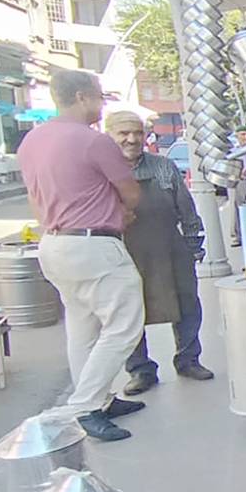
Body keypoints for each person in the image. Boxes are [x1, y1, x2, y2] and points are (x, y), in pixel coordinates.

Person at [17, 71, 147, 442]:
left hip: (54, 242)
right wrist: (122, 212)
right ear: (81, 97)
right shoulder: (94, 141)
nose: (101, 104)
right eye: (98, 96)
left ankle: (100, 398)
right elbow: (131, 192)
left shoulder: (31, 141)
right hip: (94, 243)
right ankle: (86, 405)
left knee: (82, 325)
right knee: (124, 325)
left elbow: (33, 196)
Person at [104, 111, 215, 396]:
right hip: (124, 253)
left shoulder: (164, 166)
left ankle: (188, 360)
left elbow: (186, 208)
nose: (132, 139)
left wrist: (193, 245)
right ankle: (140, 370)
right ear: (109, 136)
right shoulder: (103, 173)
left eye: (137, 133)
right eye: (123, 133)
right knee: (129, 312)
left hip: (171, 249)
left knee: (187, 305)